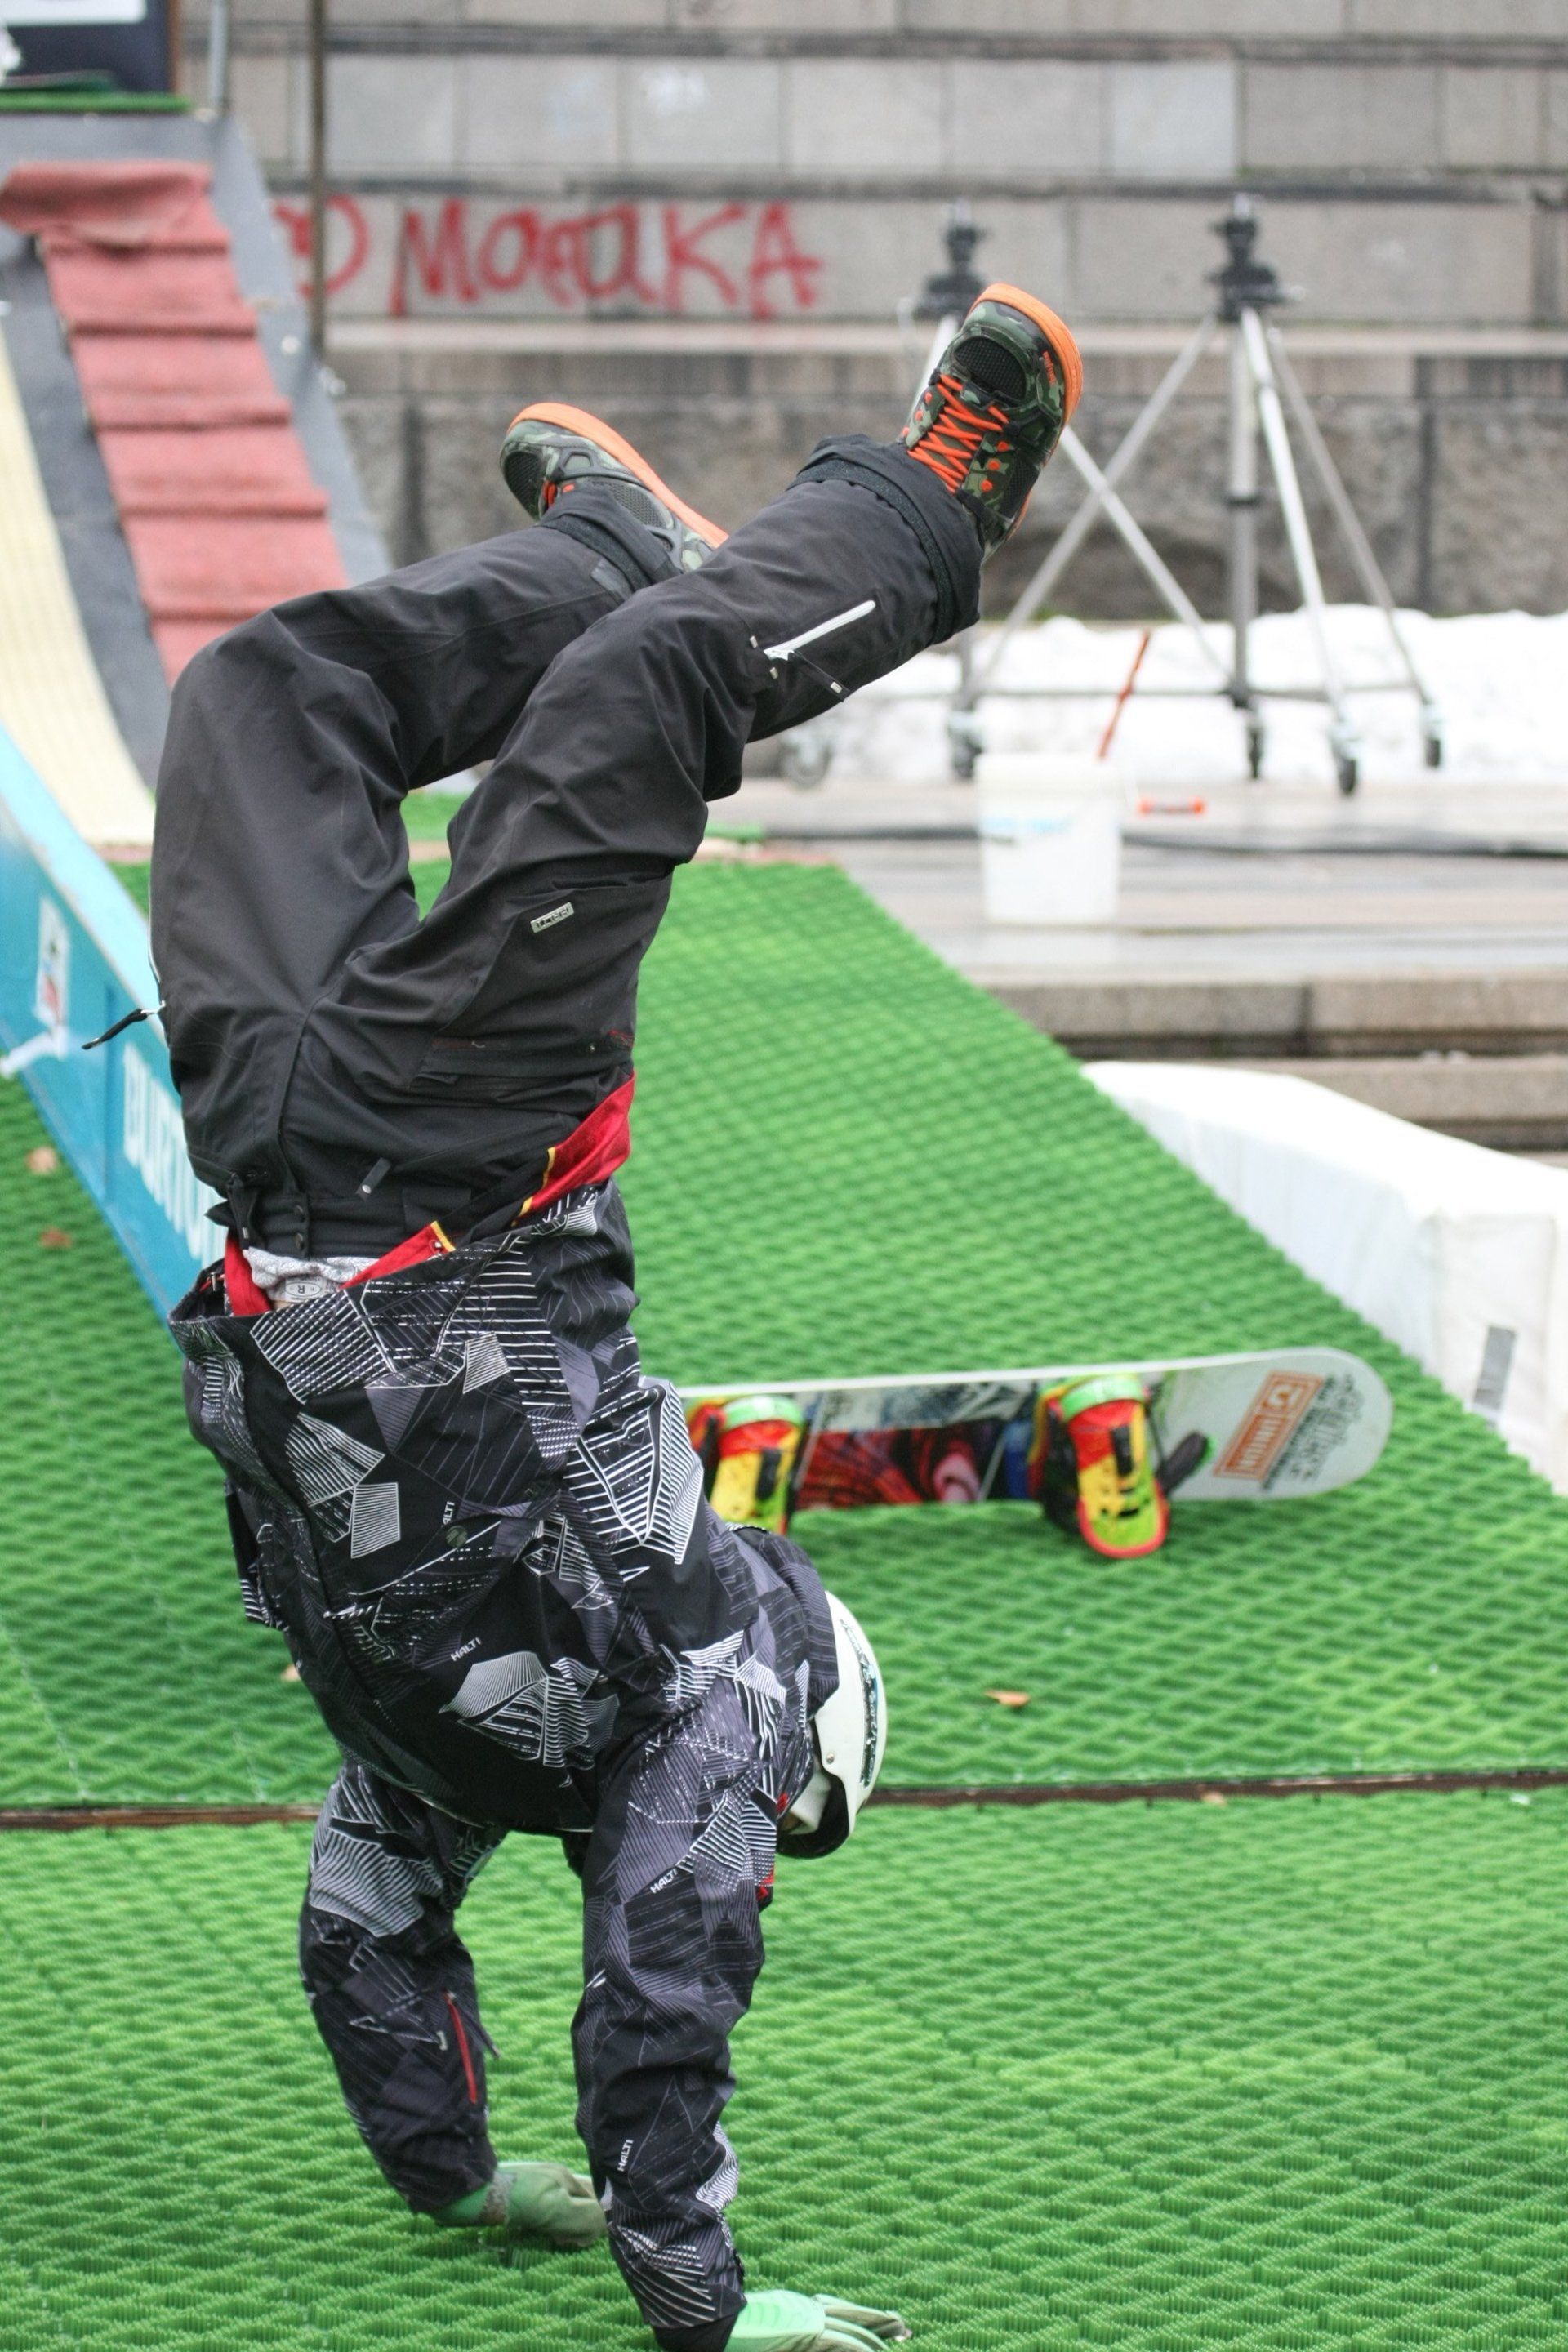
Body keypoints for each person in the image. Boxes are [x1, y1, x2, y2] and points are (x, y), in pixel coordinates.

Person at [153, 283, 1081, 2352]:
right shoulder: (497, 1741)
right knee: (619, 712)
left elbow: (640, 1976)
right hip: (445, 1151)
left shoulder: (710, 1704)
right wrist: (458, 2174)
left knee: (260, 702)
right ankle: (865, 520)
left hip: (300, 1161)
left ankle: (668, 549)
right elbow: (367, 1940)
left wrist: (674, 2284)